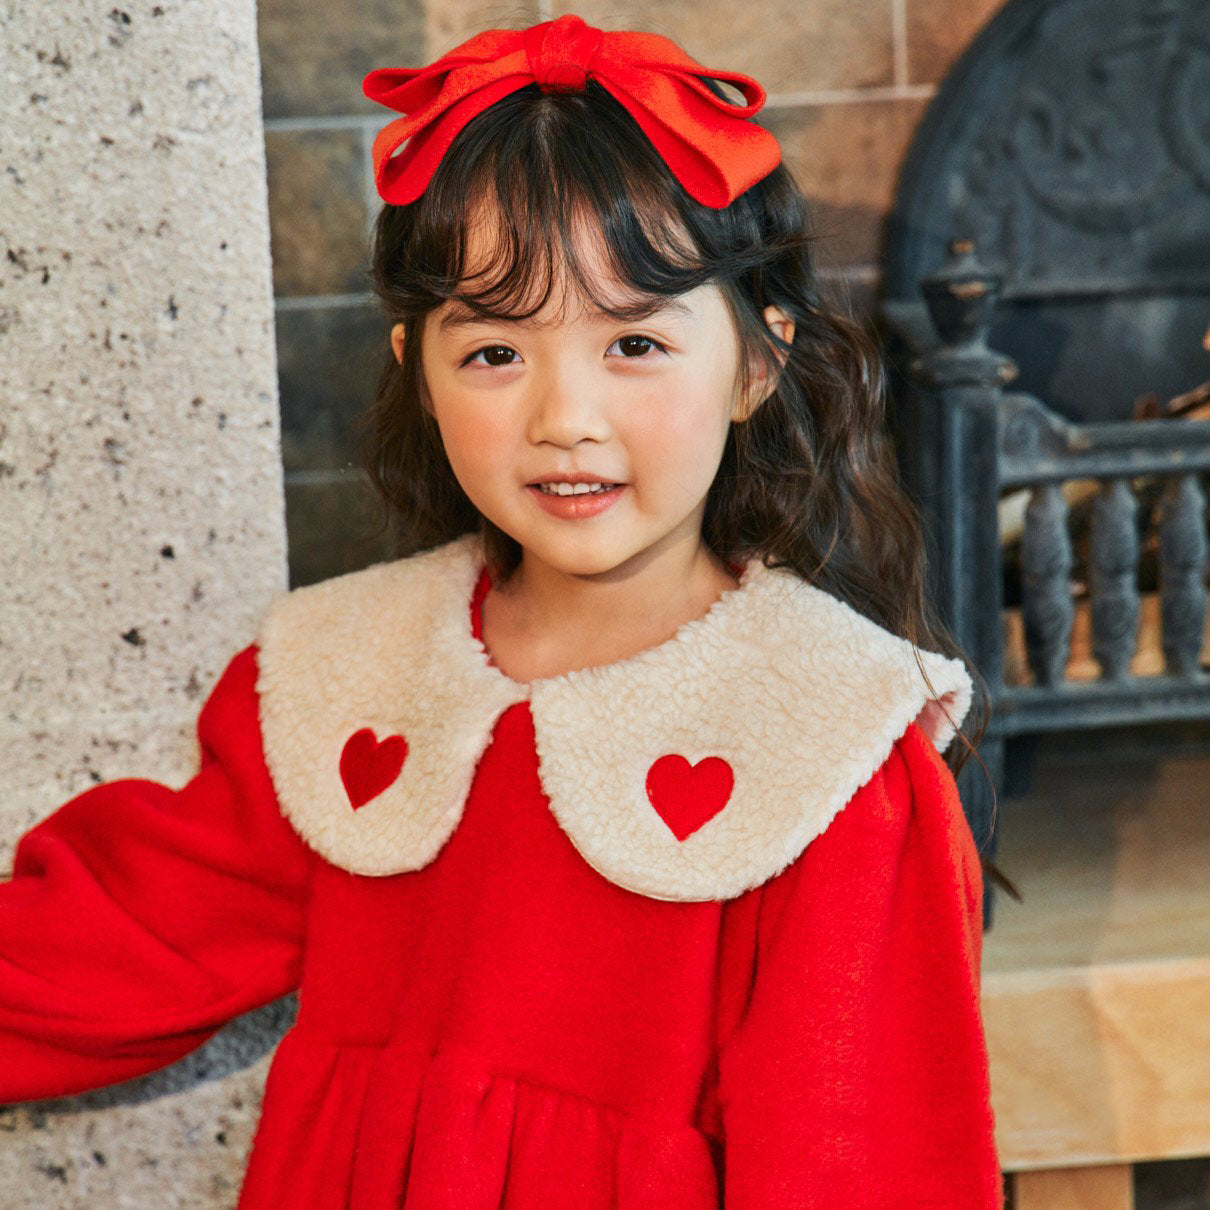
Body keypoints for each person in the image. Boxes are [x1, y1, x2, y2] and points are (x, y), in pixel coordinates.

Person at [0, 13, 1003, 1208]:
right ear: (414, 366)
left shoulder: (829, 747)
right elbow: (99, 955)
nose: (563, 416)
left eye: (632, 339)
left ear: (754, 363)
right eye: (492, 352)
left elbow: (868, 1168)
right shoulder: (339, 678)